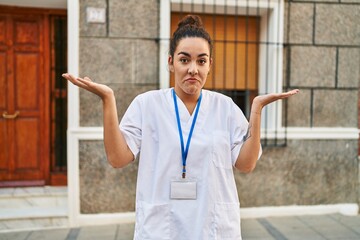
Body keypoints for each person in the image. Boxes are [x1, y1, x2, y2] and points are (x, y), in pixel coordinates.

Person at [63, 14, 299, 240]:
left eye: (201, 61)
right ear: (171, 62)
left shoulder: (225, 107)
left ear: (210, 65)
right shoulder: (147, 105)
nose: (193, 69)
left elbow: (246, 164)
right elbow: (117, 158)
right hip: (163, 228)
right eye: (184, 59)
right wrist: (108, 100)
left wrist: (256, 108)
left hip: (212, 228)